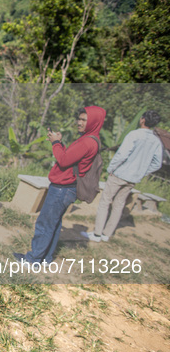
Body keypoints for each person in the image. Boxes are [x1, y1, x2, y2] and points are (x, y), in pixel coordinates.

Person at [14, 106, 106, 264]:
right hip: (67, 188)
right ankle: (45, 258)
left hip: (62, 189)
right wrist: (59, 143)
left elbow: (62, 160)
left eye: (84, 120)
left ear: (94, 122)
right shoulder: (90, 139)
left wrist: (55, 142)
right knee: (54, 223)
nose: (79, 122)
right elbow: (69, 159)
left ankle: (33, 259)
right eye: (79, 119)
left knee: (45, 223)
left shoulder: (86, 142)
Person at [83, 110, 163, 242]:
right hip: (133, 178)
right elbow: (157, 164)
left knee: (105, 202)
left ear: (142, 120)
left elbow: (122, 154)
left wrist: (111, 168)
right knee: (119, 205)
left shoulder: (135, 134)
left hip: (120, 174)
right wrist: (142, 171)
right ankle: (106, 234)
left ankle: (97, 234)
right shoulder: (156, 141)